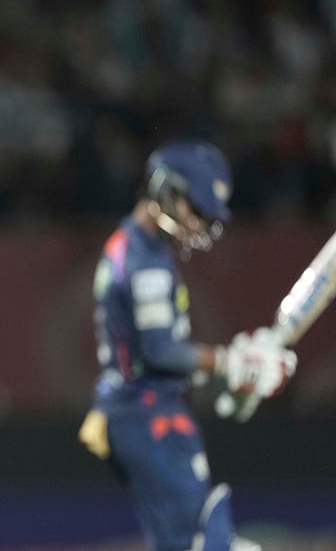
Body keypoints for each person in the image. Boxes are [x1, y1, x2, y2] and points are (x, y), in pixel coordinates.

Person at [78, 139, 298, 551]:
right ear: (165, 189)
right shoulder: (144, 260)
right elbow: (161, 352)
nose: (198, 225)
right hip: (146, 416)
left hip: (143, 410)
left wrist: (227, 374)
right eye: (194, 210)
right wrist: (233, 362)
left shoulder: (140, 248)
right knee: (200, 543)